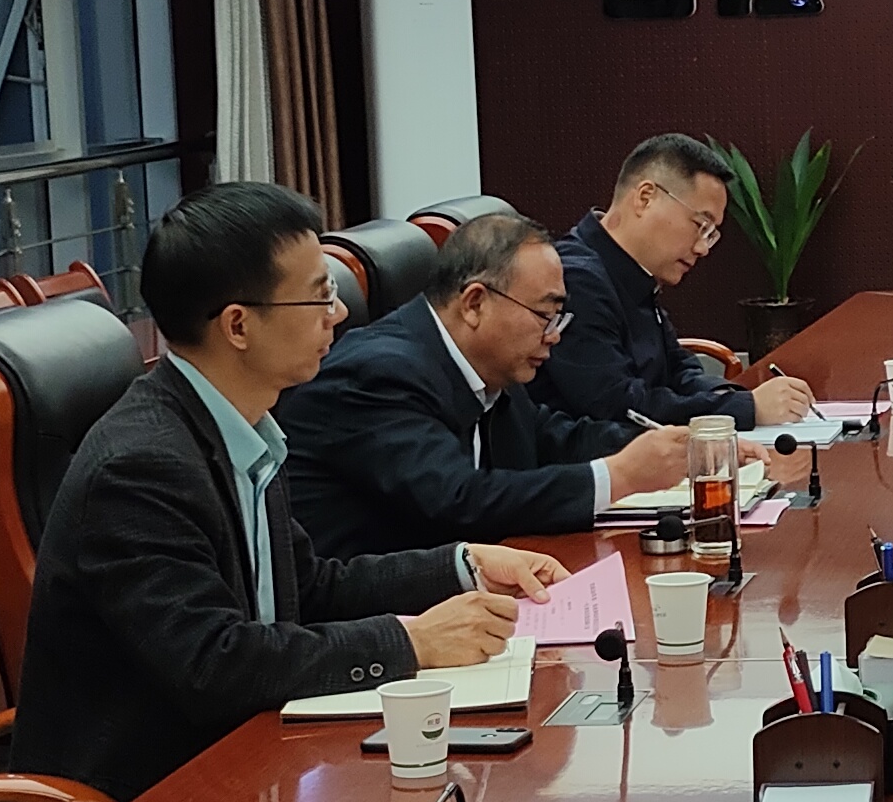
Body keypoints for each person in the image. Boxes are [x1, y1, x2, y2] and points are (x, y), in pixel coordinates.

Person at [9, 181, 551, 802]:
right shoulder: (140, 468)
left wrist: (463, 565)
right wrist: (412, 643)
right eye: (319, 296)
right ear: (238, 325)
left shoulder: (243, 429)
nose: (338, 314)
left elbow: (308, 589)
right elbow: (214, 663)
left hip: (249, 773)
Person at [280, 210, 694, 555]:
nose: (554, 335)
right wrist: (618, 475)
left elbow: (552, 437)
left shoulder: (487, 363)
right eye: (544, 315)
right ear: (475, 303)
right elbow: (457, 501)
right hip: (371, 610)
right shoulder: (378, 375)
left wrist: (677, 450)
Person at [541, 131, 816, 433]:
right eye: (700, 225)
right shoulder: (575, 279)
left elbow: (679, 370)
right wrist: (744, 408)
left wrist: (738, 398)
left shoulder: (635, 273)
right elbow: (619, 407)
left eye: (711, 233)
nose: (703, 248)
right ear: (645, 198)